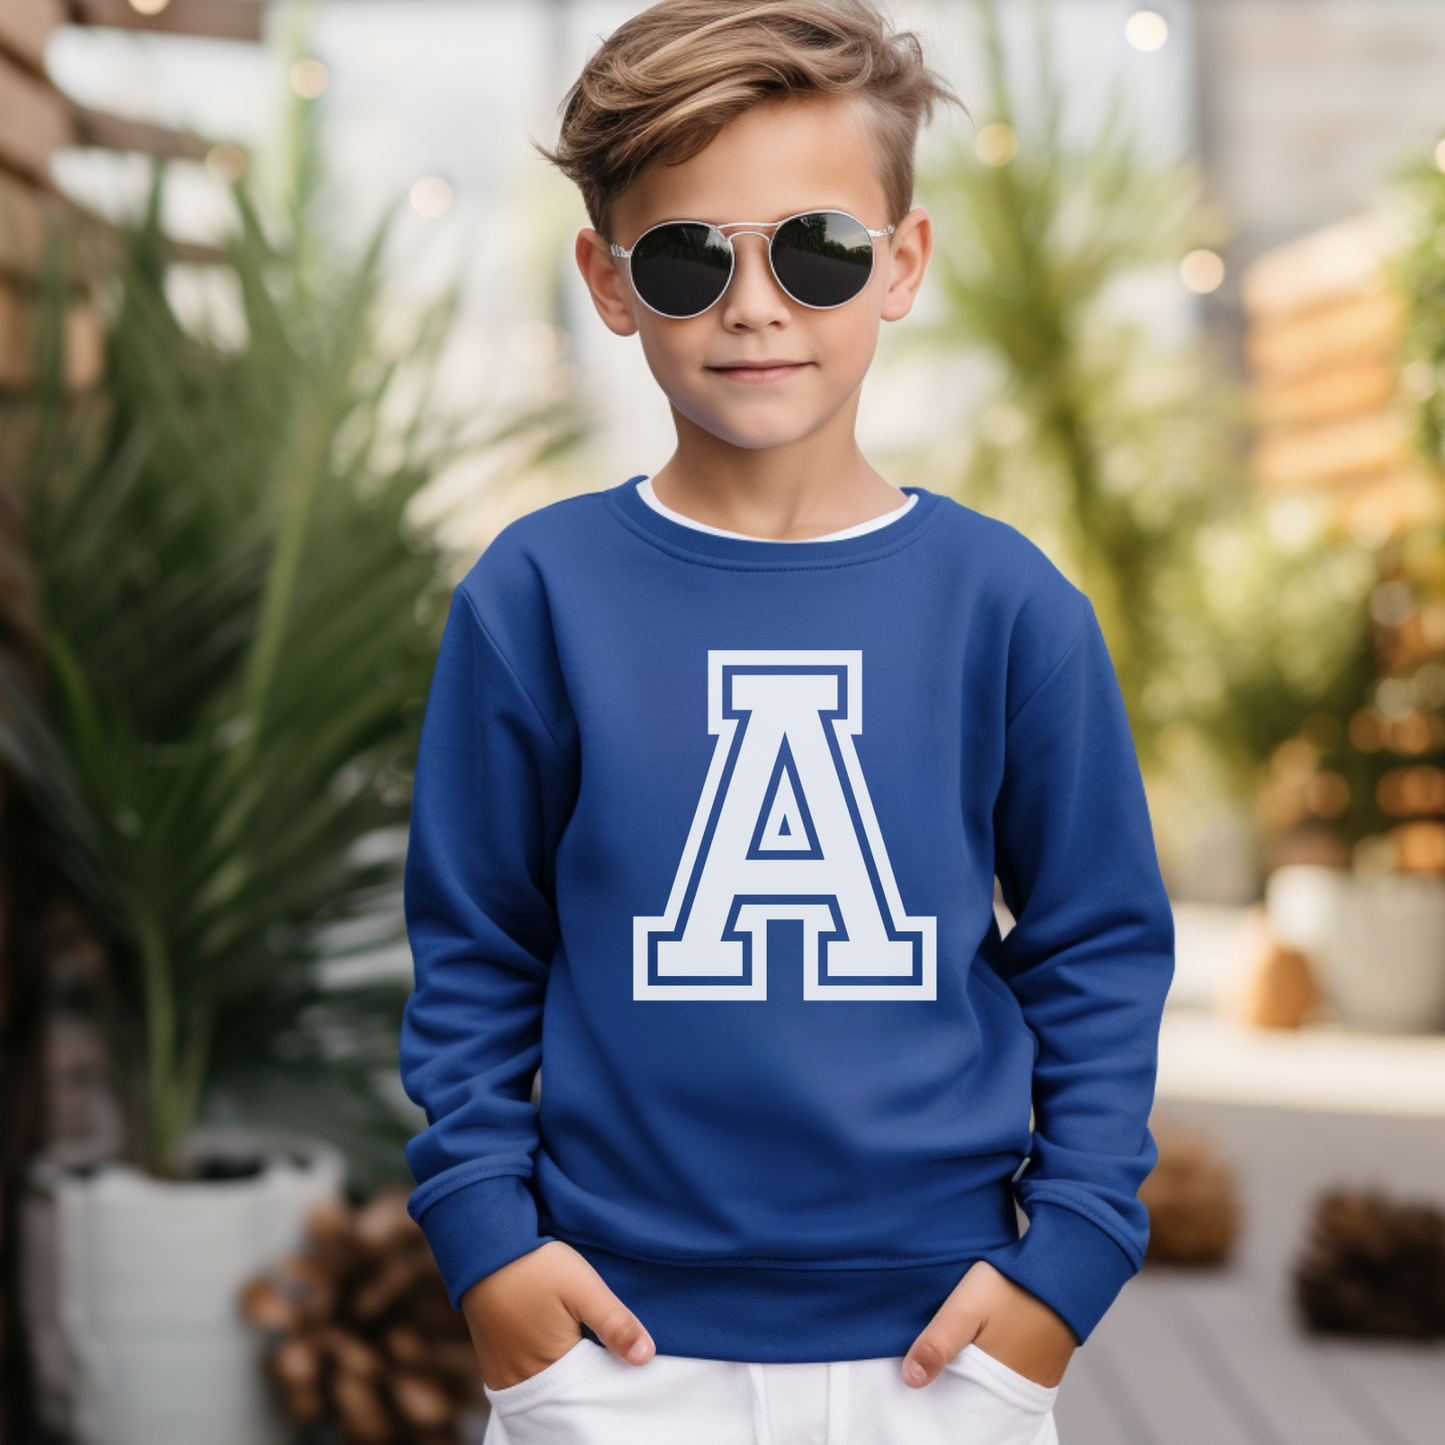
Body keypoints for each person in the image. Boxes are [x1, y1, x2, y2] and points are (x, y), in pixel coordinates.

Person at [398, 2, 1175, 1441]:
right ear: (610, 282)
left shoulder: (1007, 605)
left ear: (903, 263)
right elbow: (476, 945)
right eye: (691, 258)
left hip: (943, 1347)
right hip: (615, 1352)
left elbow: (1097, 945)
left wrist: (1065, 1267)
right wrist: (486, 1244)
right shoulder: (536, 595)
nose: (756, 305)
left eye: (814, 250)